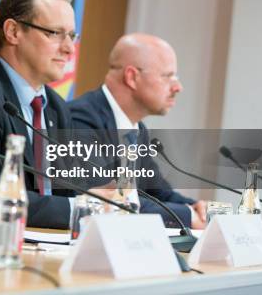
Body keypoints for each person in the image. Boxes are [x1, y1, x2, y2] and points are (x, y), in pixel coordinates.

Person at [68, 33, 207, 228]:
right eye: (168, 76)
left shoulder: (136, 129)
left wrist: (196, 207)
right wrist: (188, 215)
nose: (178, 87)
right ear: (132, 77)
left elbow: (157, 192)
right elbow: (114, 200)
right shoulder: (80, 120)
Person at [0, 0, 78, 229]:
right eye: (54, 33)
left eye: (71, 35)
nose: (69, 48)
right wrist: (81, 210)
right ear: (13, 31)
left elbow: (67, 191)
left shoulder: (56, 108)